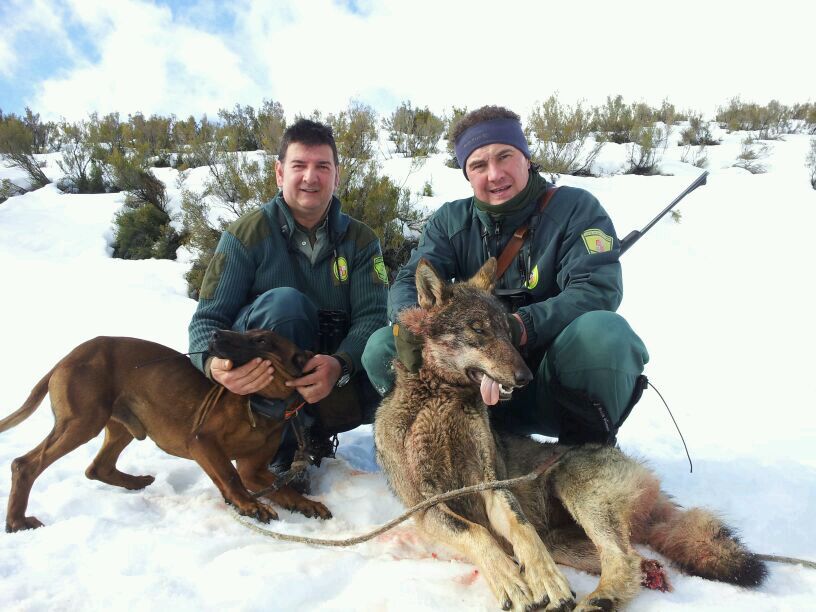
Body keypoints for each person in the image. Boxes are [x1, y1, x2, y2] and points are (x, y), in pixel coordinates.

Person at [362, 106, 649, 445]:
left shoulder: (576, 210)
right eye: (478, 165)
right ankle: (436, 445)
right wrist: (412, 323)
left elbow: (596, 290)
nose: (494, 174)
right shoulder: (450, 221)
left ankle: (586, 451)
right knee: (383, 346)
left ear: (526, 157)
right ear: (467, 174)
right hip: (470, 384)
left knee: (604, 334)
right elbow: (413, 278)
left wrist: (520, 325)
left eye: (505, 156)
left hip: (545, 382)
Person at [188, 118, 388, 474]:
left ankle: (319, 434)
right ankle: (278, 452)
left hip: (327, 381)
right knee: (286, 306)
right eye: (299, 166)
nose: (310, 177)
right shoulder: (245, 235)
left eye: (322, 167)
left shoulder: (361, 240)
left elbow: (372, 319)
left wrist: (340, 364)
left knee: (394, 353)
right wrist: (213, 365)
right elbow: (207, 321)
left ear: (337, 176)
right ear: (280, 173)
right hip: (259, 387)